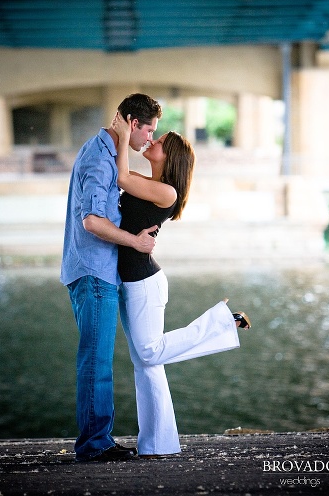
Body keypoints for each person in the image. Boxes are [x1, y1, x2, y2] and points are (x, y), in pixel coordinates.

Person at [111, 111, 252, 458]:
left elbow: (121, 178)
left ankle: (224, 321)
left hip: (144, 282)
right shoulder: (150, 181)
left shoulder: (167, 192)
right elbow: (125, 183)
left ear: (170, 157)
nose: (151, 140)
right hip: (132, 282)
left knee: (149, 352)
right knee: (146, 365)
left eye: (159, 142)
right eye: (154, 137)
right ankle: (158, 444)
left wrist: (119, 135)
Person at [61, 93, 163, 462]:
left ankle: (96, 440)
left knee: (97, 358)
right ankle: (94, 445)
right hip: (94, 271)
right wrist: (135, 242)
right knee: (97, 360)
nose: (150, 139)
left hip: (93, 270)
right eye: (148, 130)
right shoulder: (99, 158)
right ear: (133, 123)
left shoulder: (103, 150)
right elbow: (92, 221)